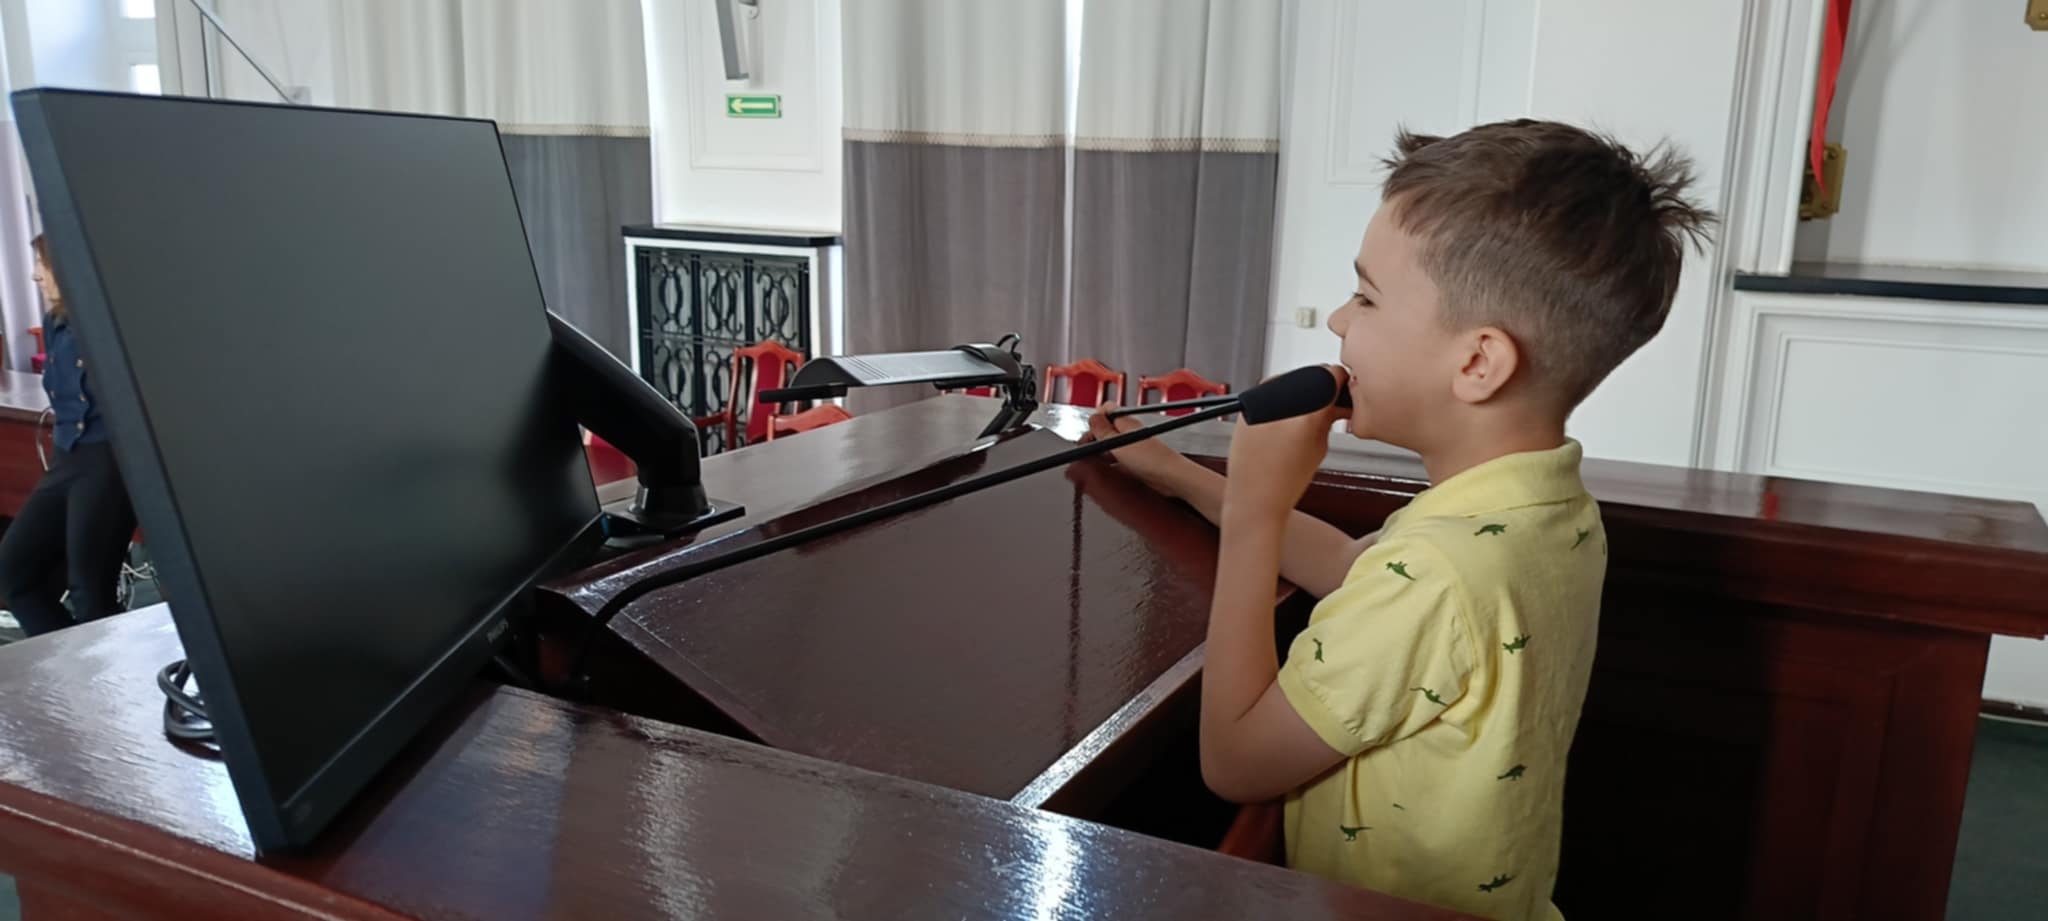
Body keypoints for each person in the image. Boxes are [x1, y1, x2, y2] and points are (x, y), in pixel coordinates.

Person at [1088, 120, 1714, 921]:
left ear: (1478, 363)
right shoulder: (1539, 506)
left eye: (1368, 297)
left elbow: (1235, 761)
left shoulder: (1436, 576)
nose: (1338, 321)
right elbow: (1354, 567)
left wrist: (1253, 514)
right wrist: (1186, 479)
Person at [0, 234, 137, 637]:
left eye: (41, 265)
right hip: (66, 460)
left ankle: (106, 673)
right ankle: (75, 663)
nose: (34, 275)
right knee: (14, 574)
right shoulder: (56, 321)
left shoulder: (110, 325)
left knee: (90, 592)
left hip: (108, 464)